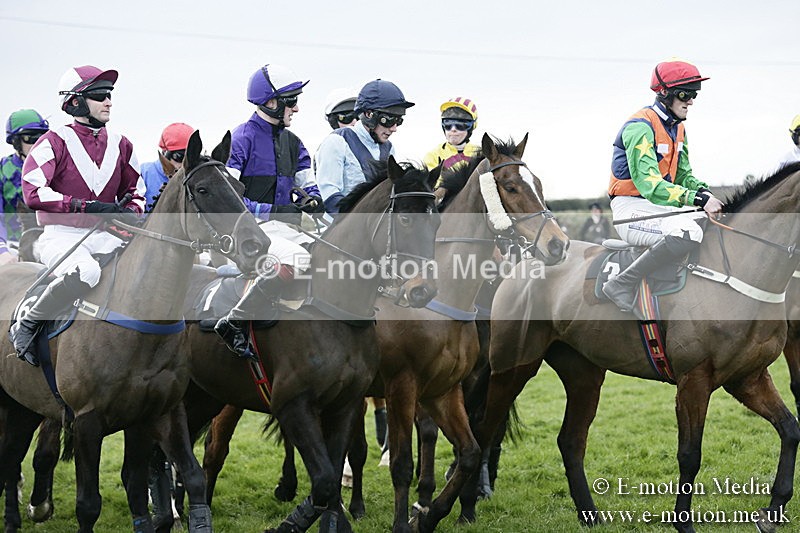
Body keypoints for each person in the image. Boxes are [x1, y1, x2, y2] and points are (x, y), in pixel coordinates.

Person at [10, 65, 144, 366]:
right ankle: (28, 324)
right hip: (61, 236)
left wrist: (130, 211)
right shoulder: (52, 142)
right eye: (99, 95)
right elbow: (33, 191)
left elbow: (137, 191)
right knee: (88, 272)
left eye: (109, 94)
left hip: (107, 236)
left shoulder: (123, 144)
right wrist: (84, 206)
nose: (108, 101)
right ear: (75, 102)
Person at [214, 63, 324, 359]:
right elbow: (228, 200)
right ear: (271, 102)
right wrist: (272, 209)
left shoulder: (295, 143)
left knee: (328, 257)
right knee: (300, 258)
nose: (297, 109)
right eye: (292, 102)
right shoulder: (241, 139)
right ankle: (234, 321)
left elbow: (308, 186)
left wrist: (312, 200)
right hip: (248, 233)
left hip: (285, 231)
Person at [602, 59, 724, 314]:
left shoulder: (678, 129)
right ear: (663, 93)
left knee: (711, 225)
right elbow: (650, 186)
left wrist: (705, 194)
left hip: (659, 209)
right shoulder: (639, 127)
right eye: (685, 93)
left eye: (694, 94)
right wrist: (698, 200)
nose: (691, 100)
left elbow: (684, 177)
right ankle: (622, 283)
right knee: (689, 232)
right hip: (631, 210)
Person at [316, 79, 414, 214]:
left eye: (398, 121)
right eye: (389, 120)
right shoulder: (337, 141)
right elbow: (328, 193)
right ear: (368, 114)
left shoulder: (389, 148)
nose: (394, 128)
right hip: (337, 226)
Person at [1, 109, 50, 265]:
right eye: (30, 138)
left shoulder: (57, 169)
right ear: (16, 142)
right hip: (11, 246)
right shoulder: (3, 170)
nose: (37, 144)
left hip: (51, 242)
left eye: (41, 137)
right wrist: (2, 250)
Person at [422, 97, 480, 185]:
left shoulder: (481, 153)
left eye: (460, 125)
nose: (453, 129)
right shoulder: (433, 156)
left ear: (472, 127)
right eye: (448, 124)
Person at [140, 122, 195, 211]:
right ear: (165, 154)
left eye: (190, 158)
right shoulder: (143, 173)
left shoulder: (197, 178)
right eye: (180, 157)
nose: (184, 165)